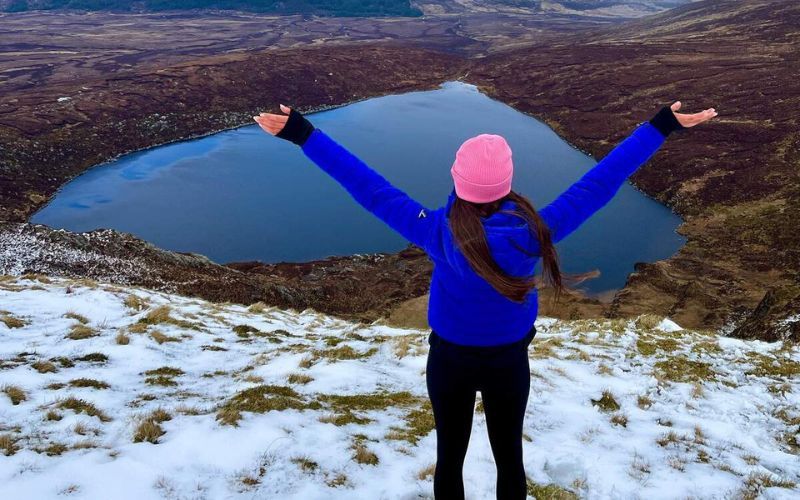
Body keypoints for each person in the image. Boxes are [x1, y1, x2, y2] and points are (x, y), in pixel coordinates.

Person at [254, 100, 717, 499]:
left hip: (449, 362)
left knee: (449, 458)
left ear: (458, 182)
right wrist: (660, 126)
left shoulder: (437, 230)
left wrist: (304, 134)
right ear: (506, 185)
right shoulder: (535, 233)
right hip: (508, 364)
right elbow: (601, 182)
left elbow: (369, 187)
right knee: (508, 460)